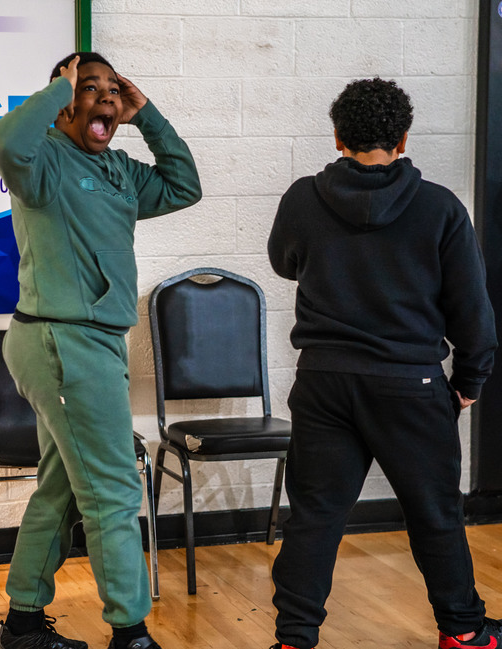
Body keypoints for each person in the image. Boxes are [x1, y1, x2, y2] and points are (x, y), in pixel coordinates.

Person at [266, 77, 498, 649]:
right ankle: (464, 633)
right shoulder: (441, 207)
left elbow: (284, 262)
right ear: (404, 138)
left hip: (322, 380)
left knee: (315, 517)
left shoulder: (302, 197)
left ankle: (294, 639)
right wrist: (467, 383)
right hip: (410, 385)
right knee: (435, 515)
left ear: (339, 137)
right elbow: (472, 312)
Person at [0, 52, 201, 649]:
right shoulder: (43, 161)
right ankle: (129, 632)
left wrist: (147, 115)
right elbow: (5, 144)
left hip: (93, 344)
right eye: (90, 88)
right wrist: (60, 90)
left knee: (60, 490)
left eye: (112, 90)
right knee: (112, 489)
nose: (105, 97)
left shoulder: (121, 171)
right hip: (62, 342)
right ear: (62, 101)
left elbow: (185, 185)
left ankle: (25, 624)